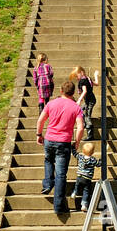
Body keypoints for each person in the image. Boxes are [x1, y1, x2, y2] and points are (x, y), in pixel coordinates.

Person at [35, 80, 84, 215]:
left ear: (61, 91)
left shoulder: (51, 103)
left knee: (48, 161)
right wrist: (77, 142)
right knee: (61, 174)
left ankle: (47, 184)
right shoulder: (76, 108)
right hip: (64, 142)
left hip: (49, 139)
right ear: (73, 93)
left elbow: (40, 120)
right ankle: (59, 206)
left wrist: (39, 134)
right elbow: (80, 128)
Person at [72, 142, 102, 213]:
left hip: (79, 176)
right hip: (87, 178)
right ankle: (84, 205)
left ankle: (75, 192)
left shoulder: (80, 157)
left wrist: (72, 148)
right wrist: (101, 160)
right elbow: (98, 164)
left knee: (77, 185)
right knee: (86, 191)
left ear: (83, 151)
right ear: (92, 152)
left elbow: (75, 154)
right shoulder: (92, 159)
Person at [71, 65, 99, 138]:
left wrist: (79, 100)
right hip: (90, 100)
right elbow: (96, 83)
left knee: (87, 116)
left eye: (77, 76)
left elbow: (85, 91)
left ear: (82, 72)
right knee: (80, 110)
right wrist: (95, 75)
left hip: (90, 101)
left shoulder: (83, 80)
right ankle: (83, 122)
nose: (77, 78)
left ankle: (90, 135)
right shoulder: (88, 79)